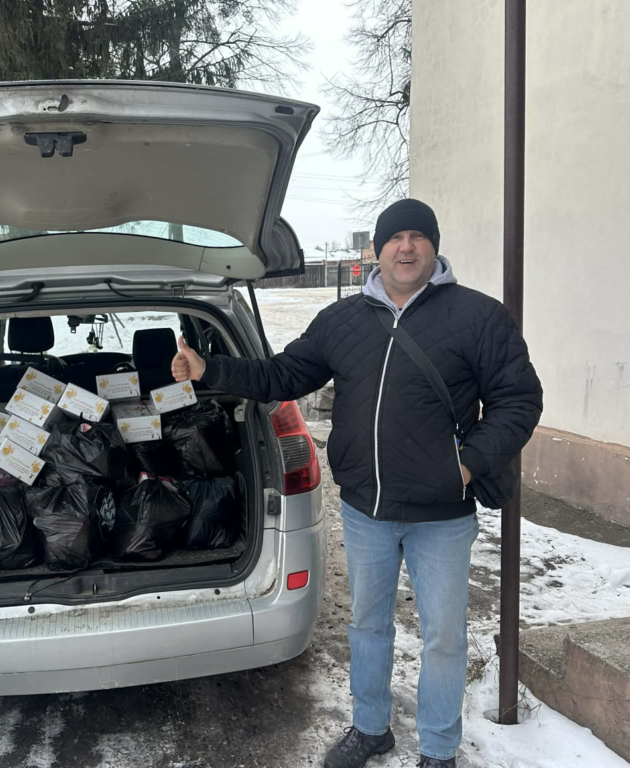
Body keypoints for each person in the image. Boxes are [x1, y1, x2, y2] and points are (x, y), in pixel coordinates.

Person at [171, 199, 543, 768]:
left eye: (419, 237)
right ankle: (371, 729)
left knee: (443, 638)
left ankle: (439, 750)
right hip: (366, 511)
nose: (407, 247)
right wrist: (210, 371)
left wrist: (465, 465)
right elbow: (283, 374)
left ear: (433, 247)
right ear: (377, 248)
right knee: (369, 626)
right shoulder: (343, 320)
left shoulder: (478, 316)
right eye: (396, 237)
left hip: (442, 516)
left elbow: (519, 400)